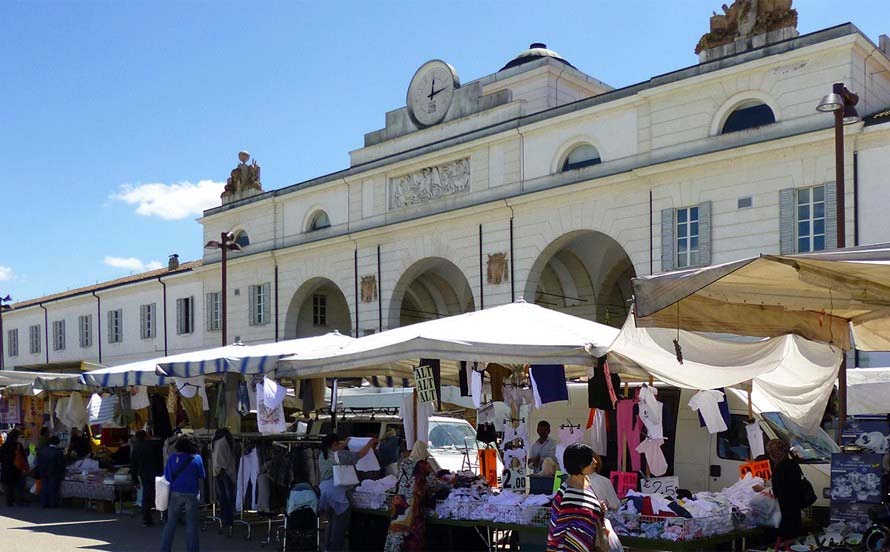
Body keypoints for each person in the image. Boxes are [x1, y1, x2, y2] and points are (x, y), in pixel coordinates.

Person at [318, 433, 377, 551]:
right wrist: (369, 444)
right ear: (334, 444)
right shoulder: (340, 455)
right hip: (336, 491)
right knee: (340, 522)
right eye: (338, 443)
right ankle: (335, 548)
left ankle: (327, 547)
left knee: (331, 521)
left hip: (323, 490)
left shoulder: (322, 455)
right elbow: (359, 455)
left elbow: (336, 450)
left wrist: (345, 442)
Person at [547, 443, 609, 552]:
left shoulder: (587, 484)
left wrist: (600, 509)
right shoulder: (565, 495)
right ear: (579, 464)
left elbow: (588, 513)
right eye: (590, 460)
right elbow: (555, 530)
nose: (595, 462)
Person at [160, 434, 205, 552]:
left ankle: (164, 549)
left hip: (175, 492)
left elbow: (168, 477)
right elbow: (201, 475)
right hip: (192, 493)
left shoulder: (171, 458)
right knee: (192, 525)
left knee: (170, 524)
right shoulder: (197, 458)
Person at [768, 438, 803, 545]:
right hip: (795, 512)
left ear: (775, 454)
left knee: (785, 543)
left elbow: (778, 492)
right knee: (793, 542)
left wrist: (762, 489)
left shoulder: (780, 469)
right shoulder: (793, 464)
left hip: (784, 515)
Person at [131, 430, 164, 527]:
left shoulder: (136, 448)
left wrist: (135, 480)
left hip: (144, 474)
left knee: (146, 496)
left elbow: (133, 466)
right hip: (157, 473)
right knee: (161, 495)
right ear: (146, 436)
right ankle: (165, 517)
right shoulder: (154, 445)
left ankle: (147, 519)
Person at [210, 428, 237, 536]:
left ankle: (225, 517)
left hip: (219, 470)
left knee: (222, 497)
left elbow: (217, 458)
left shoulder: (217, 440)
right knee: (228, 496)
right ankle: (229, 519)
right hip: (227, 470)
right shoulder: (227, 440)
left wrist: (217, 470)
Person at [36, 435, 66, 508]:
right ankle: (52, 503)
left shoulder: (43, 450)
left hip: (43, 471)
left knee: (44, 487)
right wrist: (62, 473)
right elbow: (61, 464)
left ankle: (44, 502)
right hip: (54, 472)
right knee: (53, 488)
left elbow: (38, 462)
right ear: (57, 443)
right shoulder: (58, 452)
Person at [0, 429, 26, 506]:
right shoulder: (18, 445)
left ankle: (9, 502)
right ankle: (18, 501)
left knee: (7, 486)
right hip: (16, 468)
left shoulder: (4, 446)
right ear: (16, 437)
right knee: (17, 485)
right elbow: (23, 457)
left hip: (6, 468)